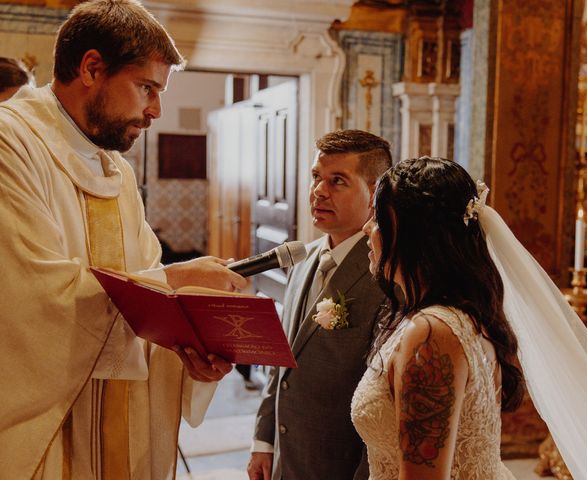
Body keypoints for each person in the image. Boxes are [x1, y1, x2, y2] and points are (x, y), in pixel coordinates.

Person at [0, 1, 247, 479]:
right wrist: (172, 277)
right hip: (46, 436)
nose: (155, 109)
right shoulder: (12, 144)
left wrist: (191, 353)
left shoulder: (116, 171)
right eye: (146, 88)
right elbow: (27, 300)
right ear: (92, 67)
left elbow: (147, 311)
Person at [352, 156, 587, 479]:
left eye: (377, 217)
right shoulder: (457, 316)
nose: (367, 228)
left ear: (412, 233)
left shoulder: (432, 334)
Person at [248, 130, 392, 480]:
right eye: (316, 177)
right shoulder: (301, 257)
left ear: (373, 193)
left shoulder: (387, 275)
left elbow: (385, 400)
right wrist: (264, 440)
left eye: (337, 181)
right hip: (287, 456)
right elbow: (281, 359)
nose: (319, 191)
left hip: (340, 463)